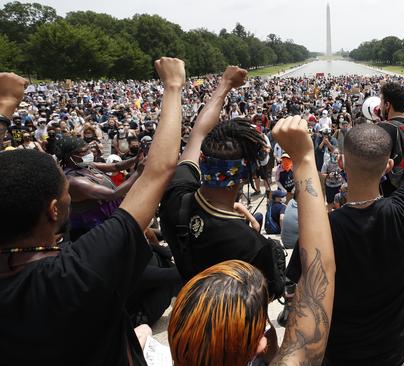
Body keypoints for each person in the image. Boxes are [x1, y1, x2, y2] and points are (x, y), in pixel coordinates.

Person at [0, 58, 186, 364]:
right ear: (53, 210)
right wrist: (174, 85)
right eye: (65, 194)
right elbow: (160, 171)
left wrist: (5, 108)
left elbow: (140, 170)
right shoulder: (78, 269)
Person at [284, 55, 404, 365]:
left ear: (343, 164)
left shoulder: (323, 230)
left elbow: (296, 292)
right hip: (396, 356)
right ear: (388, 166)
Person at [167, 115, 336, 366]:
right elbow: (316, 275)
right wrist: (304, 157)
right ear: (245, 175)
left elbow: (194, 140)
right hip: (238, 337)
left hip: (192, 316)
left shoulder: (175, 199)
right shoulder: (253, 245)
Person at [158, 67, 284, 300]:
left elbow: (198, 133)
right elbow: (268, 295)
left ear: (204, 161)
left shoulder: (176, 194)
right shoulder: (251, 245)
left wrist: (224, 84)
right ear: (246, 174)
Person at [56, 136, 141, 240]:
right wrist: (138, 172)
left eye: (88, 148)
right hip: (95, 227)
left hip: (108, 217)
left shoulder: (85, 165)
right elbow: (113, 193)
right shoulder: (74, 181)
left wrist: (136, 159)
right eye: (83, 152)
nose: (89, 153)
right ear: (70, 157)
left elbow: (116, 167)